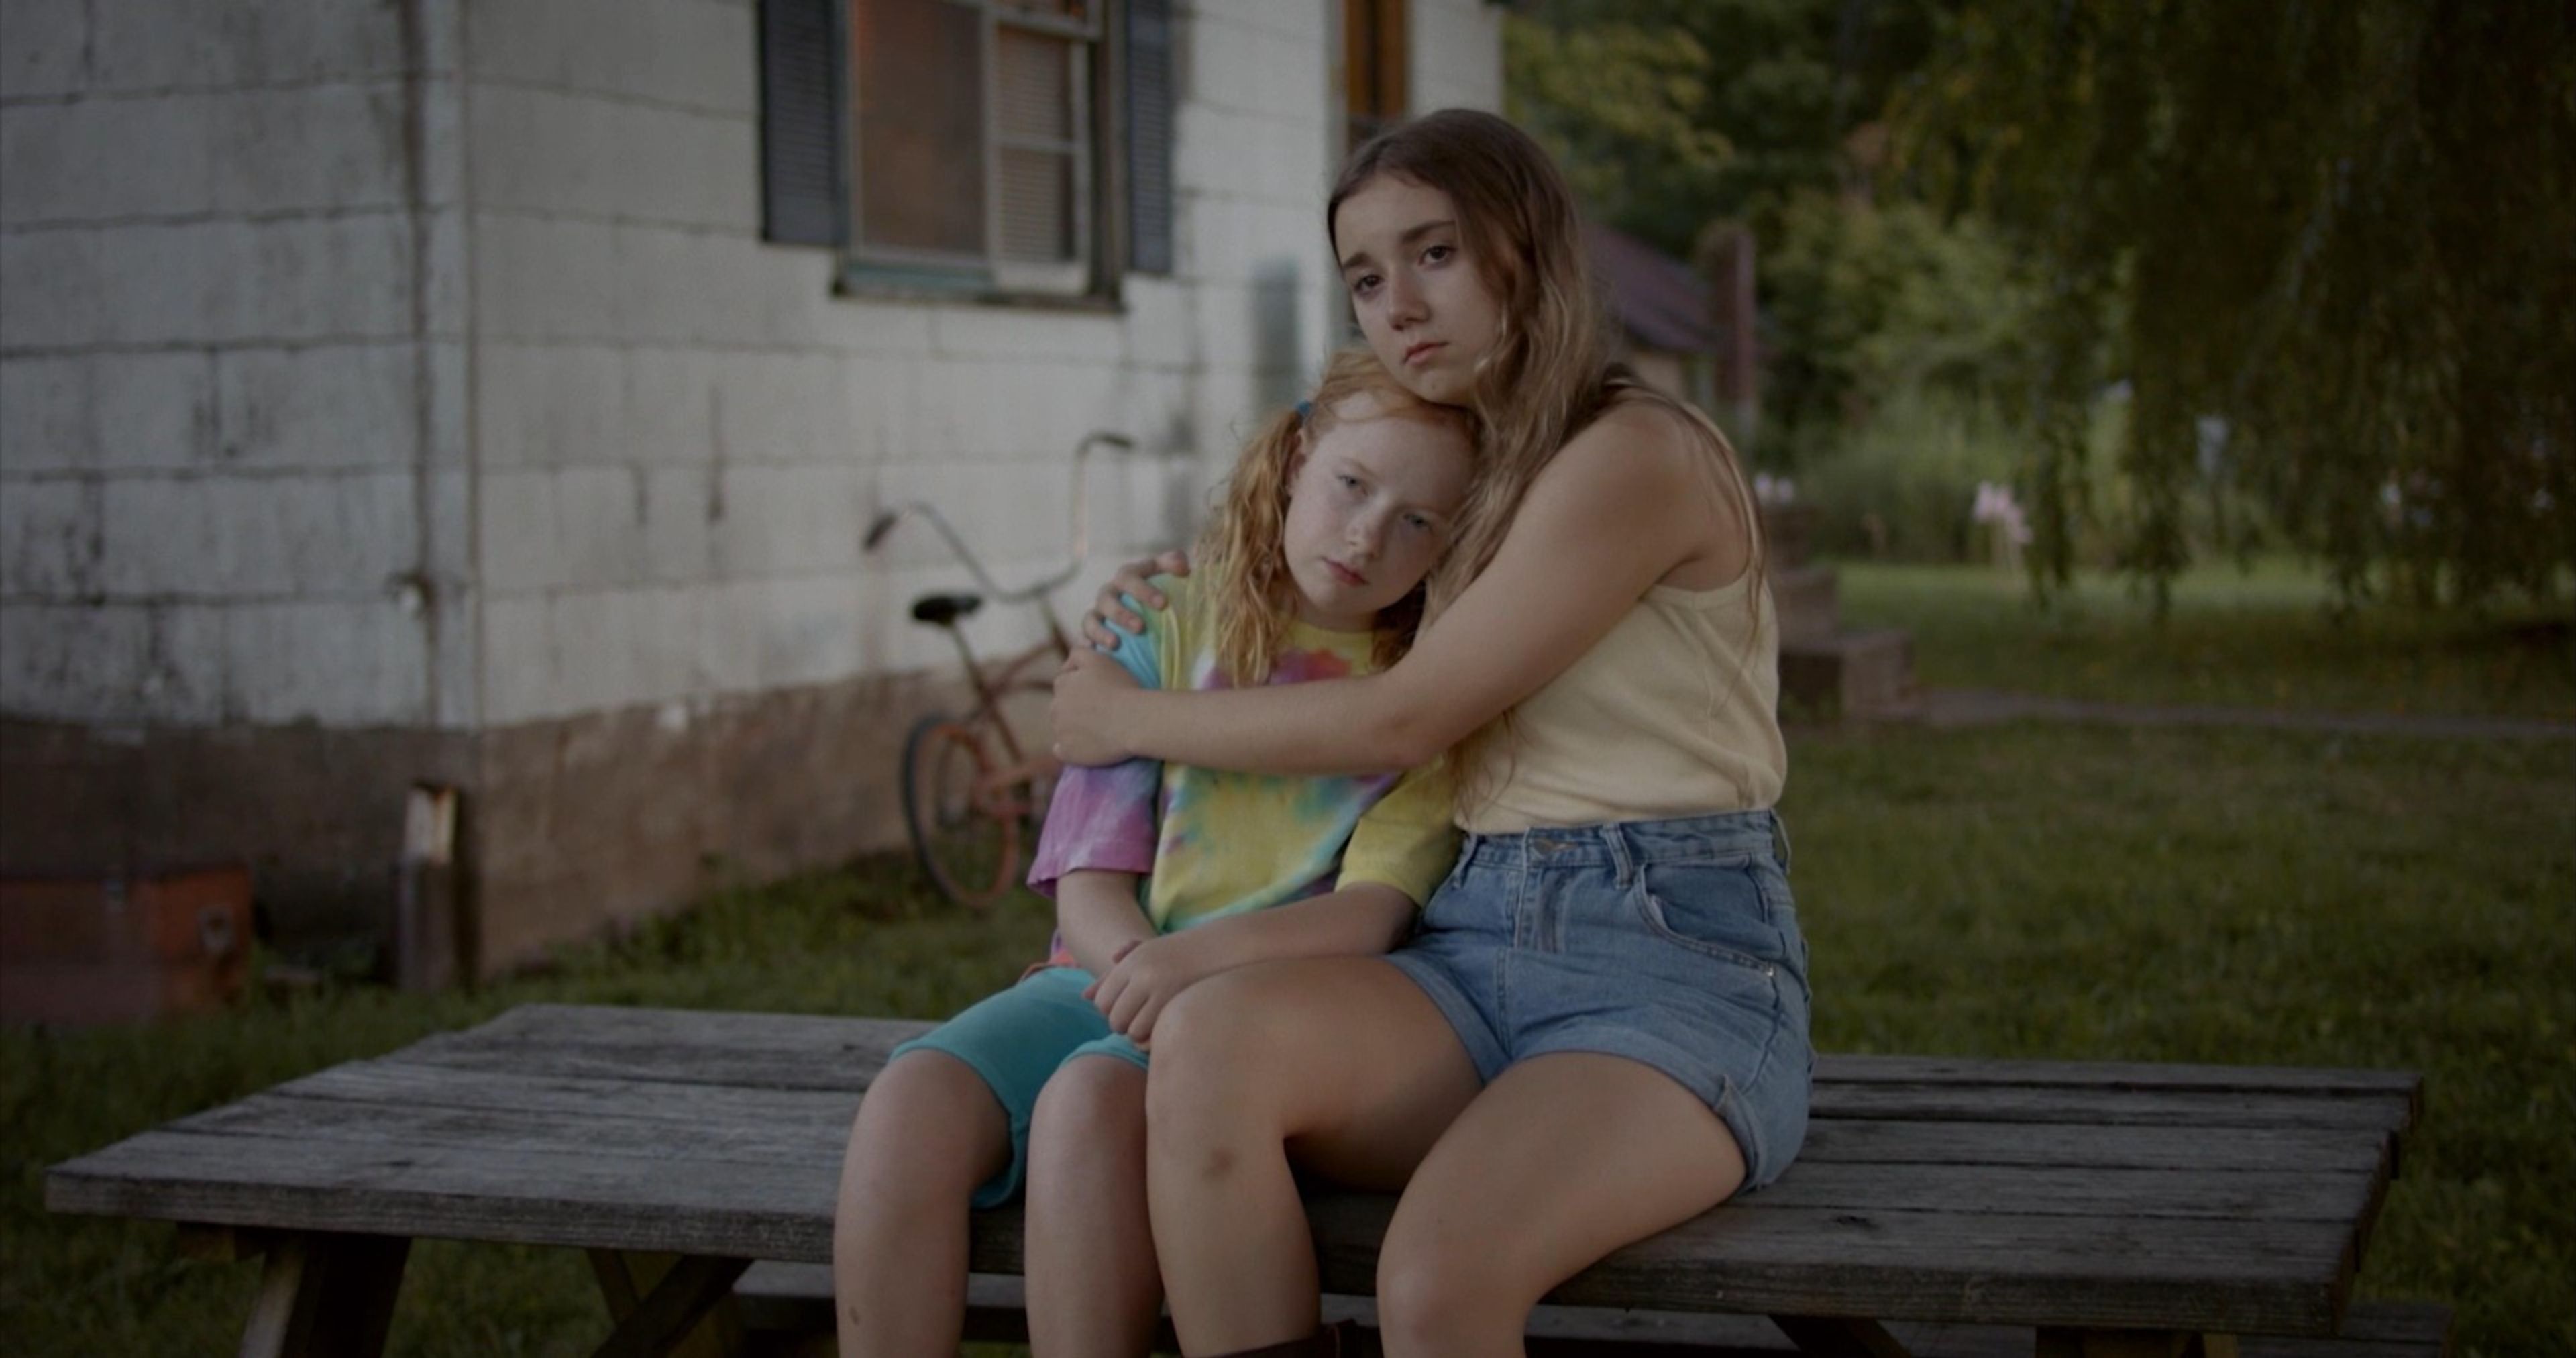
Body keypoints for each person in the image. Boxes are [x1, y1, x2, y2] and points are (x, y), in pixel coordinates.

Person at [1049, 108, 1809, 1357]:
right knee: (1210, 1039)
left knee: (1438, 1281)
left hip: (1668, 968)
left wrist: (1121, 715)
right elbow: (1313, 511)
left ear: (1528, 245)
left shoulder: (1639, 454)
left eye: (1435, 253)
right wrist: (1174, 589)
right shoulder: (1467, 467)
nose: (1397, 302)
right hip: (1464, 945)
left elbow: (1408, 711)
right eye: (1364, 275)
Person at [831, 349, 1477, 1357]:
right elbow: (1089, 867)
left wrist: (1185, 974)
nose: (1366, 534)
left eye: (1419, 521)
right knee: (910, 1102)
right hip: (1102, 970)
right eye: (1353, 484)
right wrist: (1137, 967)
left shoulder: (1425, 691)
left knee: (1087, 1103)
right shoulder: (1166, 619)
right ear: (1302, 454)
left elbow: (1370, 912)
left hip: (1259, 1021)